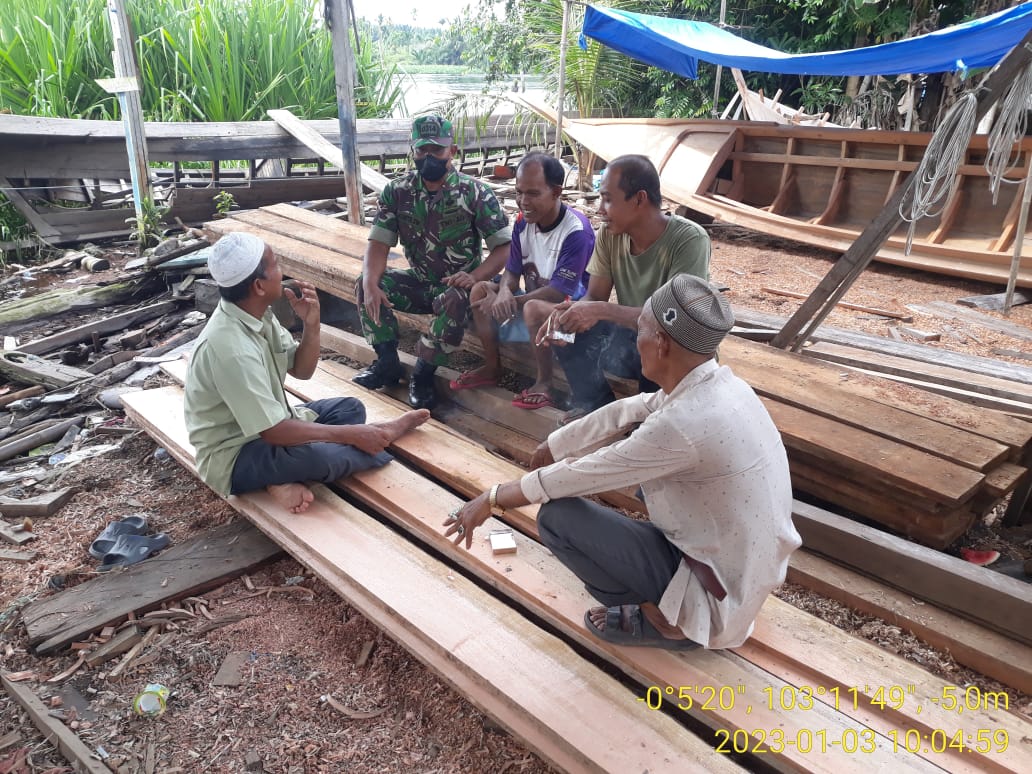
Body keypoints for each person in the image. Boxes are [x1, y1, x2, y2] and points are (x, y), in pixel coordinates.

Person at [444, 274, 801, 650]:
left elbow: (580, 476)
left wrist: (492, 498)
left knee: (558, 518)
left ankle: (670, 622)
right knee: (642, 491)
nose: (636, 339)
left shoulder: (683, 425)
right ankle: (671, 598)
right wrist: (557, 441)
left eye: (641, 329)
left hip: (716, 599)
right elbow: (635, 407)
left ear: (661, 344)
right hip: (738, 573)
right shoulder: (719, 386)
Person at [184, 232, 430, 514]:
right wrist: (351, 435)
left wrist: (311, 325)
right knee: (327, 458)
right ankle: (379, 435)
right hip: (238, 453)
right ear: (259, 286)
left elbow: (302, 370)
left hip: (272, 428)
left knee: (350, 409)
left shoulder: (257, 314)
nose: (282, 271)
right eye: (275, 264)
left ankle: (278, 479)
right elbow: (274, 432)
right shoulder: (230, 348)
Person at [353, 114, 512, 410]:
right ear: (412, 151)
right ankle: (387, 363)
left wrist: (477, 276)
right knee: (367, 284)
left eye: (436, 151)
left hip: (459, 287)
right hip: (420, 282)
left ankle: (424, 375)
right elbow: (378, 244)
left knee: (452, 300)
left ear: (452, 151)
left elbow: (504, 249)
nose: (429, 157)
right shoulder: (397, 192)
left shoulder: (475, 193)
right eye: (422, 150)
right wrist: (371, 282)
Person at [540, 154, 710, 425]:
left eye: (608, 199)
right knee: (566, 328)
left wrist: (597, 309)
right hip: (633, 336)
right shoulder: (610, 234)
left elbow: (672, 320)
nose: (600, 209)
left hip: (674, 346)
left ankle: (650, 424)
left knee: (656, 345)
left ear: (640, 199)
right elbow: (595, 295)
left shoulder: (689, 239)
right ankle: (597, 408)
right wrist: (571, 314)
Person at [448, 152, 594, 410]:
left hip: (570, 325)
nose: (523, 202)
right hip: (533, 315)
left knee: (531, 307)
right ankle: (493, 368)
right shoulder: (522, 222)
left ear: (557, 191)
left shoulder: (576, 232)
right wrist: (504, 291)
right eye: (519, 192)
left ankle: (545, 382)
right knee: (481, 290)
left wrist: (512, 301)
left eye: (533, 194)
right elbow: (512, 271)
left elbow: (559, 293)